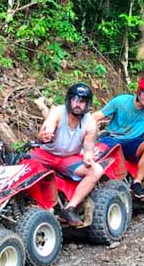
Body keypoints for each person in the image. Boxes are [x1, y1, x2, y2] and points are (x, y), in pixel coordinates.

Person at [33, 83, 103, 227]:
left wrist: (88, 156)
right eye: (75, 100)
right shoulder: (58, 112)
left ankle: (70, 208)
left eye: (82, 101)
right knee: (21, 166)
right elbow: (44, 132)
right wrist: (46, 135)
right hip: (45, 153)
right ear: (69, 100)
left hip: (68, 159)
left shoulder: (90, 122)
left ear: (87, 104)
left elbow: (89, 147)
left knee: (96, 170)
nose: (77, 104)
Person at [91, 76, 144, 199]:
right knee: (92, 156)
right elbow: (99, 115)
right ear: (139, 91)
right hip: (111, 138)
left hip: (132, 142)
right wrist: (84, 123)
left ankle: (137, 182)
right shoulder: (121, 101)